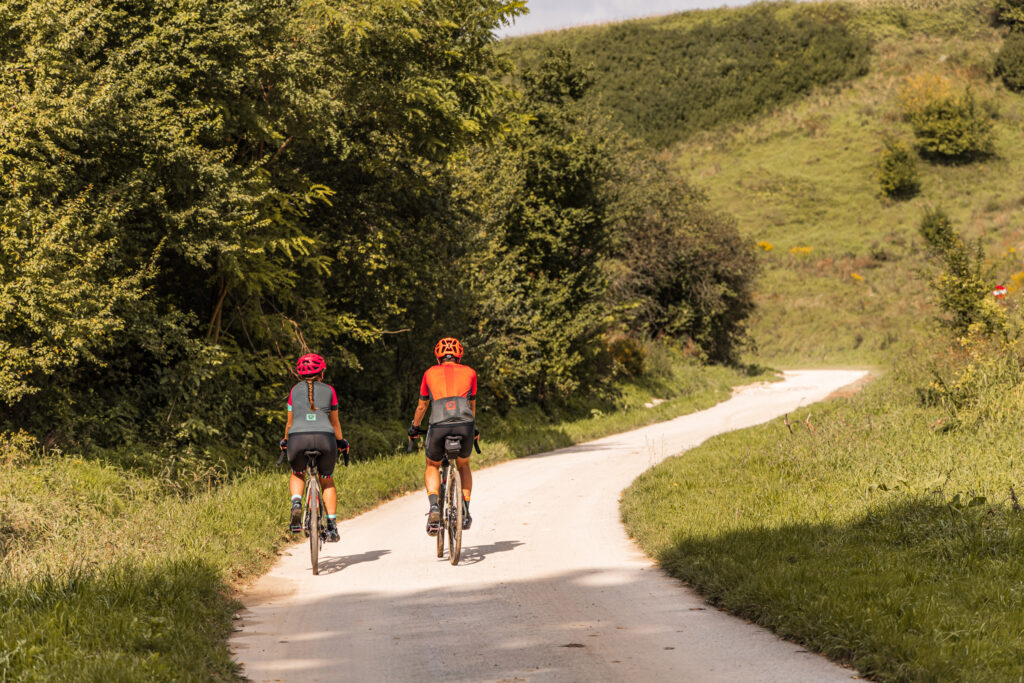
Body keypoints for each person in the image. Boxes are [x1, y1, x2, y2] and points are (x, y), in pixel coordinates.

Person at [409, 337, 478, 534]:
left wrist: (414, 427)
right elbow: (471, 406)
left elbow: (422, 406)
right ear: (459, 356)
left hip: (439, 424)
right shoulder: (470, 373)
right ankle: (464, 510)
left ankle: (434, 508)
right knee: (463, 464)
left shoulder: (429, 373)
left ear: (438, 356)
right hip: (465, 423)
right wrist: (473, 429)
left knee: (432, 464)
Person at [279, 353, 349, 543]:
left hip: (297, 439)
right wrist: (341, 442)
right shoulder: (330, 391)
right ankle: (332, 527)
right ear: (322, 373)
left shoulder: (294, 391)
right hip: (325, 439)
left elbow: (289, 424)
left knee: (297, 473)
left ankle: (296, 502)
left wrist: (286, 442)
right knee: (327, 481)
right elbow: (335, 423)